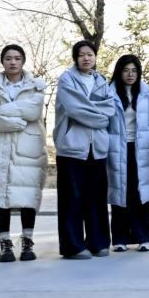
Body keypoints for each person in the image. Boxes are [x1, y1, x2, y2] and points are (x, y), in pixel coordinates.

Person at [0, 44, 47, 263]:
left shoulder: (35, 87)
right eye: (8, 58)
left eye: (17, 58)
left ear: (23, 61)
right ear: (2, 61)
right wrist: (15, 121)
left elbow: (33, 111)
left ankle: (27, 242)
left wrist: (4, 112)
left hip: (27, 147)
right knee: (1, 195)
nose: (13, 62)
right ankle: (5, 244)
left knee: (27, 194)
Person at [54, 40, 118, 259]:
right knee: (72, 199)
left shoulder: (101, 81)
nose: (86, 58)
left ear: (95, 56)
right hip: (71, 147)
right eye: (81, 55)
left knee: (96, 198)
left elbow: (110, 108)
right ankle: (72, 246)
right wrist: (99, 117)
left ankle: (98, 243)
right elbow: (75, 109)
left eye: (90, 54)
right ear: (75, 58)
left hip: (97, 148)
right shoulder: (66, 79)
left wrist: (91, 110)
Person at [107, 54, 149, 252]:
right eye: (126, 70)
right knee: (120, 193)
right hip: (117, 149)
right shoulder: (109, 92)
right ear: (119, 72)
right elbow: (102, 119)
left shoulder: (146, 93)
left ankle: (144, 237)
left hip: (140, 148)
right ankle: (120, 238)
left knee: (141, 193)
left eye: (134, 70)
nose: (130, 74)